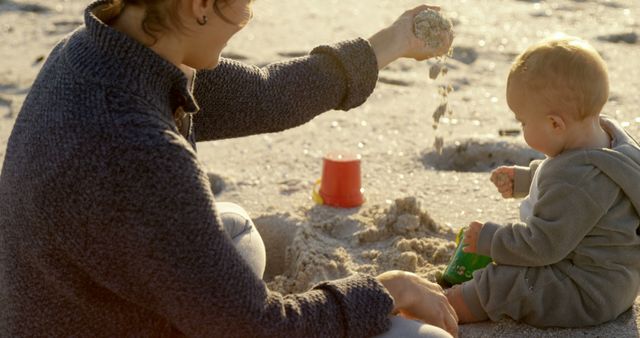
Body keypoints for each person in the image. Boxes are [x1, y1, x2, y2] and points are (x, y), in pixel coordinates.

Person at [0, 0, 457, 337]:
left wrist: (395, 40)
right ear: (200, 6)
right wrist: (387, 288)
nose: (247, 18)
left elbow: (267, 95)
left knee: (235, 227)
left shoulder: (98, 51)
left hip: (73, 305)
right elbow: (260, 330)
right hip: (104, 322)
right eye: (245, 6)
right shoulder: (138, 148)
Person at [445, 34, 640, 327]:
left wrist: (491, 239)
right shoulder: (610, 145)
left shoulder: (575, 180)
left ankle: (447, 307)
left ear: (555, 124)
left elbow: (542, 245)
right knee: (511, 262)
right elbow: (573, 186)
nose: (521, 127)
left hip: (586, 292)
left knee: (507, 282)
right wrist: (528, 179)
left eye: (522, 121)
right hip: (616, 282)